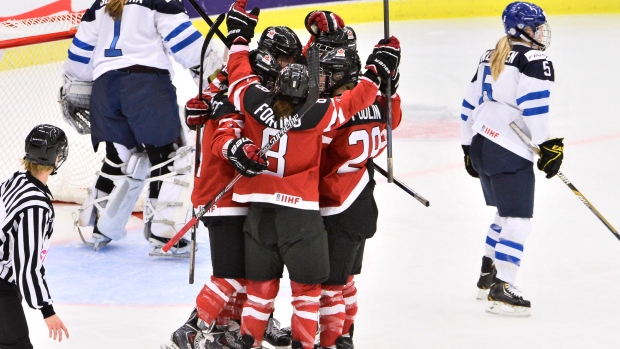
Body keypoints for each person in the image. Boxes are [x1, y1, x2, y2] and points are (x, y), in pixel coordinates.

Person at [222, 1, 400, 348]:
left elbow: (238, 76)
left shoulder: (254, 100)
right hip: (315, 209)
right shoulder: (321, 114)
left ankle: (248, 341)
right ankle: (329, 340)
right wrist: (379, 74)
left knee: (261, 290)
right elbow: (355, 100)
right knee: (318, 289)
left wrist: (239, 38)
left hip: (262, 207)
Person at [61, 0, 222, 255]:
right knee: (168, 159)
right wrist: (216, 73)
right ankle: (166, 236)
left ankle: (95, 227)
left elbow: (79, 54)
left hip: (105, 91)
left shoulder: (100, 3)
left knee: (119, 158)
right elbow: (185, 43)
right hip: (146, 86)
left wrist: (74, 85)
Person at [460, 1, 562, 317]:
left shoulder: (489, 55)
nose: (541, 33)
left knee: (505, 214)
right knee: (518, 221)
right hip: (506, 149)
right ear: (522, 30)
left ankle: (487, 274)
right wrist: (548, 146)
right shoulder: (535, 60)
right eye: (536, 27)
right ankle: (503, 287)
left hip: (480, 143)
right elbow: (534, 109)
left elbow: (467, 103)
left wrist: (467, 148)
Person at [0, 124, 70, 348]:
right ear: (57, 158)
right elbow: (27, 266)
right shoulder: (35, 206)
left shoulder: (15, 181)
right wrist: (47, 310)